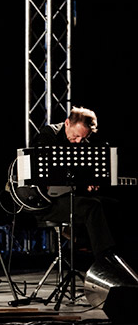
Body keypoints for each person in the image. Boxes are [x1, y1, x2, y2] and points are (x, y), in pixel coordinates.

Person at [31, 107, 118, 260]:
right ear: (67, 123)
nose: (78, 141)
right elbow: (49, 176)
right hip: (46, 203)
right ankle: (103, 259)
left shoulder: (82, 142)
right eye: (77, 136)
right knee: (92, 207)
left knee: (112, 205)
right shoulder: (47, 136)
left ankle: (112, 255)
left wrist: (90, 180)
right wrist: (82, 180)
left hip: (68, 196)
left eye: (83, 138)